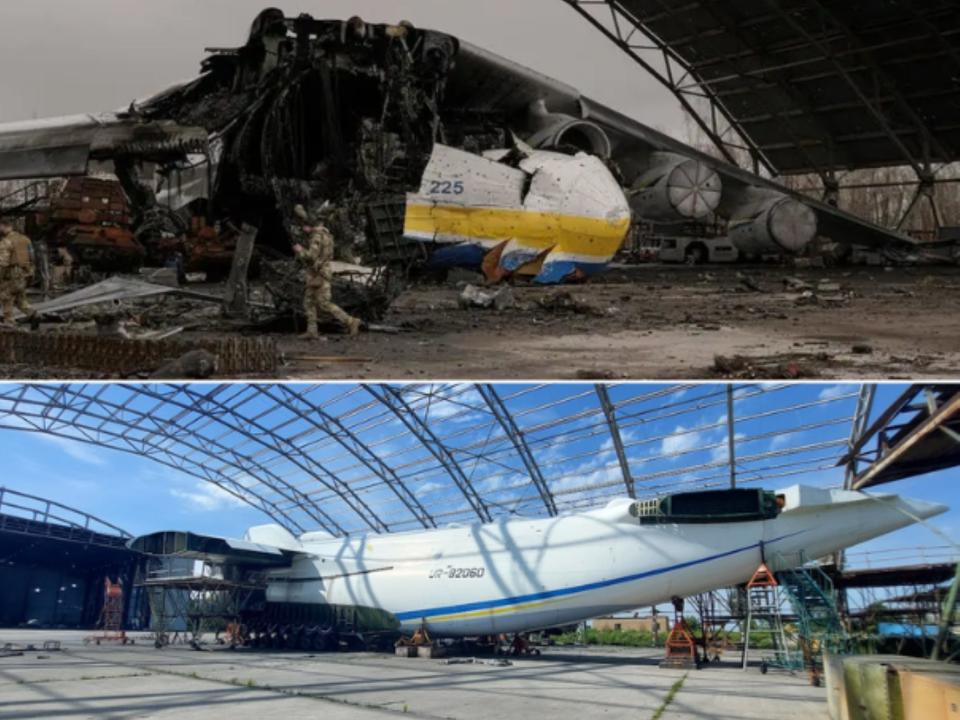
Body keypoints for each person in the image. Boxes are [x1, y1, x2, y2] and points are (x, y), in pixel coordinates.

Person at [291, 204, 362, 338]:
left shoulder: (316, 237)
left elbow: (311, 256)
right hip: (319, 272)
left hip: (319, 273)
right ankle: (312, 331)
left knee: (324, 303)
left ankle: (350, 321)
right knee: (309, 302)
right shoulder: (326, 234)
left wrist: (300, 251)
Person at [0, 220, 36, 326]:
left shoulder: (6, 242)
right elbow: (32, 256)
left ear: (5, 226)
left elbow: (3, 263)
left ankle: (9, 322)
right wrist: (31, 272)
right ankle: (34, 315)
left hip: (11, 274)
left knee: (6, 296)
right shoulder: (25, 239)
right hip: (24, 273)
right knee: (20, 299)